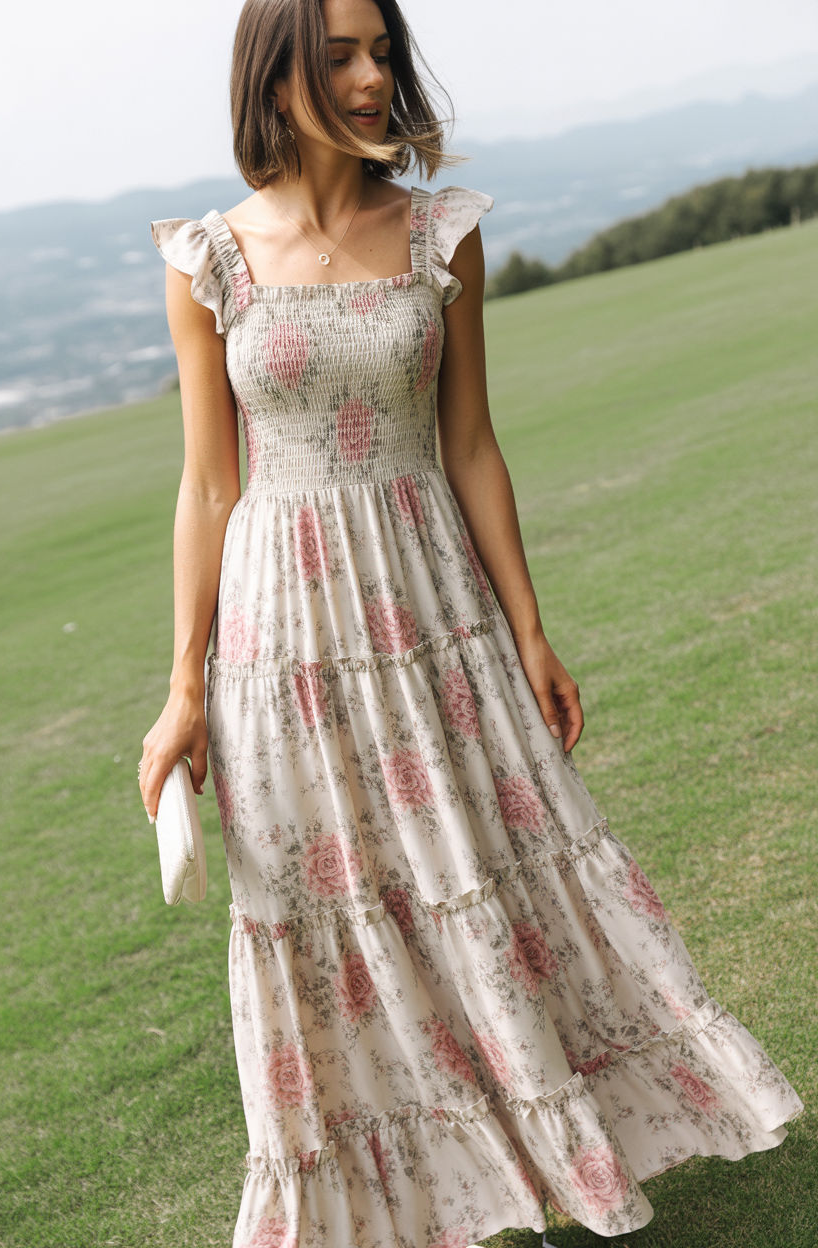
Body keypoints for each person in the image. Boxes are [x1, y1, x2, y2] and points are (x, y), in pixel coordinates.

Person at [139, 0, 803, 1244]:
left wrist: (530, 629)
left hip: (431, 608)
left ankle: (557, 1144)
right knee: (333, 910)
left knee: (481, 876)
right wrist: (185, 686)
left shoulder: (440, 232)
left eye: (381, 48)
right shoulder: (205, 261)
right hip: (280, 639)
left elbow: (471, 443)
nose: (370, 73)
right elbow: (209, 485)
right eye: (338, 52)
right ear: (272, 66)